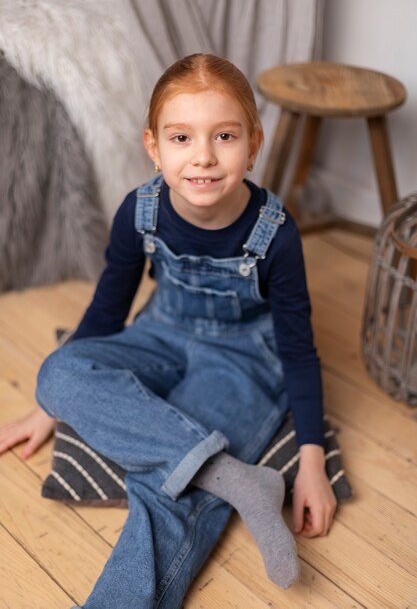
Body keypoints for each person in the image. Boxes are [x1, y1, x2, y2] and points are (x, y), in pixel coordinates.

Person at [0, 53, 337, 608]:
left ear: (253, 145)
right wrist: (50, 407)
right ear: (153, 147)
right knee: (58, 373)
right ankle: (237, 478)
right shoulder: (141, 211)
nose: (203, 157)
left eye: (224, 136)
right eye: (181, 138)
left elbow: (300, 351)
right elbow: (108, 310)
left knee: (168, 492)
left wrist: (312, 462)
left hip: (244, 355)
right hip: (162, 330)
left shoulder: (276, 235)